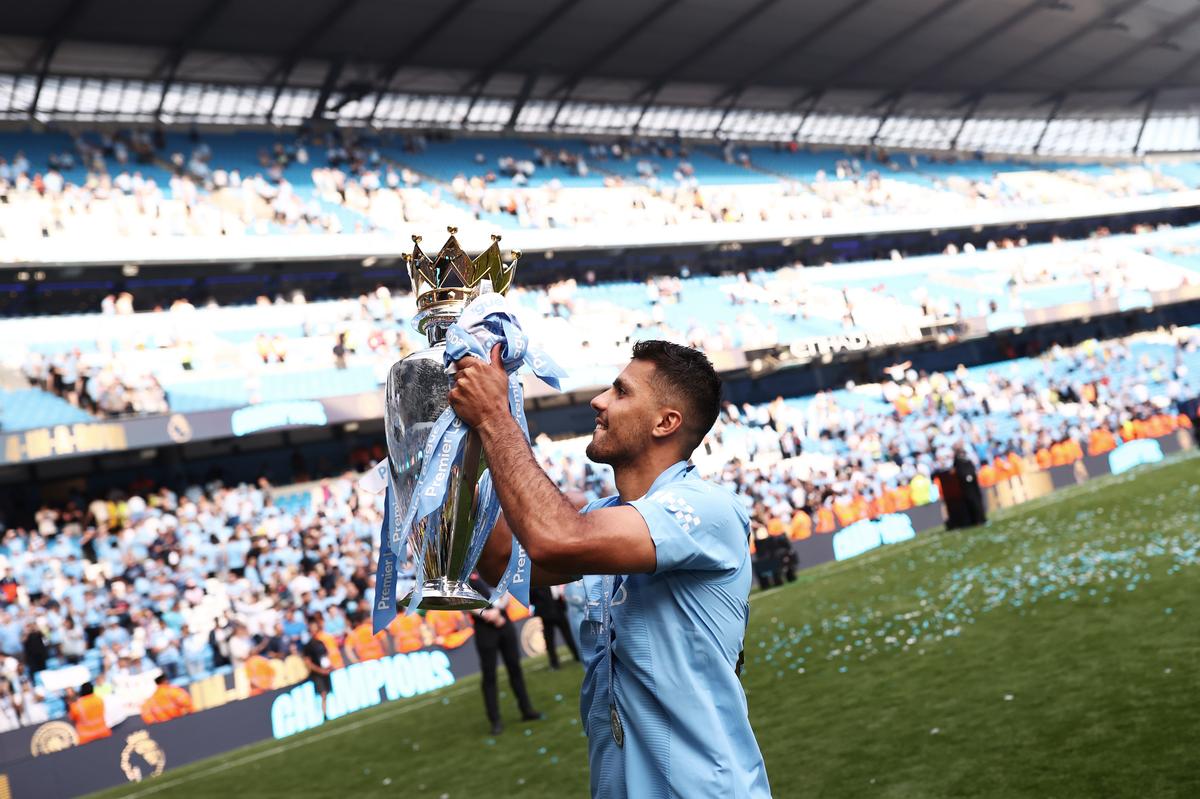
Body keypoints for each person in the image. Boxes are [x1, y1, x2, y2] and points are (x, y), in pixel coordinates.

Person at [451, 339, 770, 797]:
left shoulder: (709, 507)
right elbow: (502, 558)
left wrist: (495, 417)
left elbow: (556, 539)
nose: (598, 401)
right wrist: (462, 443)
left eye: (621, 392)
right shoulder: (607, 513)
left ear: (666, 422)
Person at [467, 574, 542, 736]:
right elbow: (462, 601)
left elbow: (507, 589)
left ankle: (526, 709)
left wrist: (498, 608)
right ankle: (495, 720)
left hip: (504, 621)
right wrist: (487, 614)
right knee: (489, 675)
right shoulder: (465, 571)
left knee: (515, 667)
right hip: (484, 627)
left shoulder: (492, 568)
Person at [529, 585, 580, 669]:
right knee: (549, 640)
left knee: (568, 636)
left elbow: (558, 593)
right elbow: (531, 599)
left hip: (558, 609)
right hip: (546, 614)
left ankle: (577, 656)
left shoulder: (553, 580)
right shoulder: (536, 584)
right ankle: (554, 663)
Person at [301, 615, 334, 719]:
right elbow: (308, 663)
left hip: (325, 670)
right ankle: (324, 714)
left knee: (327, 692)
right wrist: (320, 670)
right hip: (317, 673)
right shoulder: (307, 646)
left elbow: (325, 656)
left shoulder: (320, 642)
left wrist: (328, 667)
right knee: (323, 693)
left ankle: (327, 712)